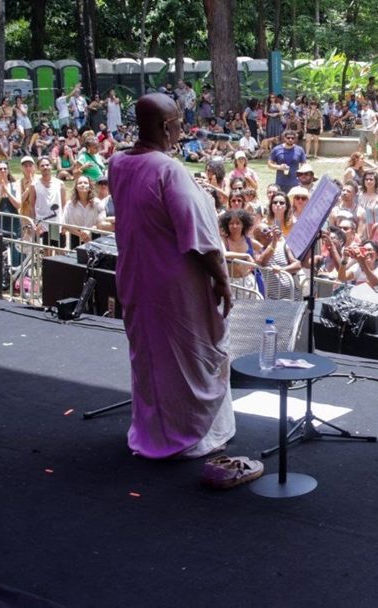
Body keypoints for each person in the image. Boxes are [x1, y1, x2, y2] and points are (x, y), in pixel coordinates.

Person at [109, 93, 236, 460]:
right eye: (179, 120)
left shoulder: (117, 162)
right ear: (167, 127)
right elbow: (199, 236)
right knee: (190, 357)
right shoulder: (169, 170)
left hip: (136, 278)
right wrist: (223, 281)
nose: (183, 126)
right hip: (174, 287)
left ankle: (154, 429)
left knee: (150, 358)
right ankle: (194, 435)